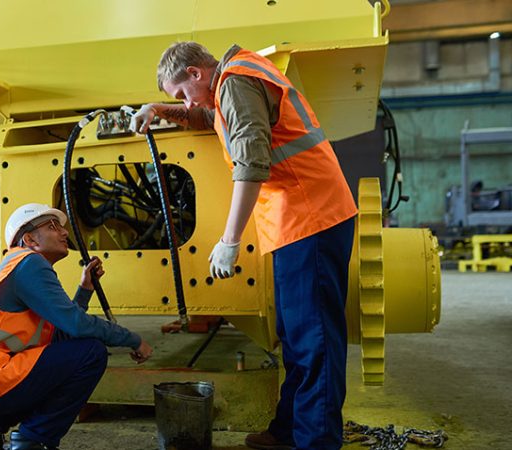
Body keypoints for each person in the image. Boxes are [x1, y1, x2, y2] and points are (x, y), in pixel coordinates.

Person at [131, 42, 357, 450]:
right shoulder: (231, 81)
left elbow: (252, 163)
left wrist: (229, 240)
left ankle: (317, 441)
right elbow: (207, 117)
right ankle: (291, 431)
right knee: (296, 336)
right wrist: (157, 109)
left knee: (314, 339)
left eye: (181, 93)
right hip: (297, 222)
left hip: (312, 217)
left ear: (196, 73)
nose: (185, 102)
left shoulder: (236, 83)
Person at [0, 203, 154, 450]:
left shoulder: (16, 267)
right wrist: (133, 339)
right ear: (29, 239)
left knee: (71, 353)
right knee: (91, 353)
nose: (64, 232)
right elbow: (77, 324)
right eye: (52, 226)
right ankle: (34, 440)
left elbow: (62, 333)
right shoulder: (30, 263)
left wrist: (85, 289)